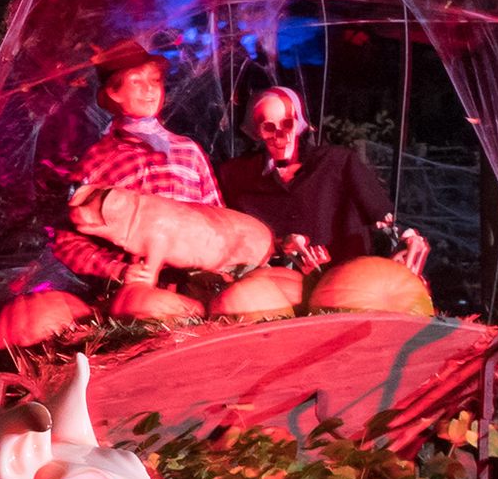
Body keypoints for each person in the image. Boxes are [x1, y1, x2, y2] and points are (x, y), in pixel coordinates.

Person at [50, 40, 223, 294]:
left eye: (154, 81)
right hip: (136, 297)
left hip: (198, 288)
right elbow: (67, 242)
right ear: (113, 91)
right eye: (136, 82)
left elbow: (218, 220)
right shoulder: (97, 162)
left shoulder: (188, 151)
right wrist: (116, 270)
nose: (149, 90)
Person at [219, 87, 429, 274]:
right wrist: (281, 243)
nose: (280, 136)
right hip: (277, 284)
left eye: (287, 124)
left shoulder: (337, 162)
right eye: (269, 128)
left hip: (345, 278)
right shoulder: (238, 176)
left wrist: (408, 237)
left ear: (299, 125)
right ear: (257, 131)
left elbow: (382, 215)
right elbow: (236, 234)